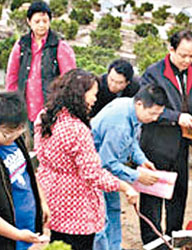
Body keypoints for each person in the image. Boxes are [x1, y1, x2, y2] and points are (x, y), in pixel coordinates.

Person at [34, 69, 139, 250]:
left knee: (57, 244)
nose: (95, 99)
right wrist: (124, 186)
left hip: (51, 195)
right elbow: (93, 174)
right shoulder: (77, 129)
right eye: (93, 95)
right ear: (80, 95)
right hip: (76, 205)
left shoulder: (46, 116)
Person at [138, 30, 192, 244]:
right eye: (183, 55)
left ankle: (174, 235)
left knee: (179, 192)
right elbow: (146, 106)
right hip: (157, 143)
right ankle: (152, 240)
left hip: (182, 144)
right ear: (171, 50)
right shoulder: (154, 73)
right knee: (153, 195)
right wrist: (176, 117)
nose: (188, 60)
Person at [91, 85, 166, 250]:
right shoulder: (119, 124)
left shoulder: (129, 106)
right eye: (152, 113)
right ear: (140, 104)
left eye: (158, 115)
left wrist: (141, 159)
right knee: (101, 218)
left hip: (109, 168)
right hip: (95, 172)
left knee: (113, 209)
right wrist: (137, 176)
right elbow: (107, 162)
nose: (154, 119)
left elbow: (131, 141)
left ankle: (115, 246)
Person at [5, 1, 76, 131]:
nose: (42, 25)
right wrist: (12, 103)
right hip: (24, 108)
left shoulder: (60, 46)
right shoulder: (21, 45)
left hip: (51, 110)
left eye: (45, 21)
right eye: (37, 21)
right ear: (29, 21)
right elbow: (12, 76)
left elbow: (69, 80)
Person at [0, 92, 50, 250]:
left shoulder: (16, 142)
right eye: (7, 132)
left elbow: (30, 173)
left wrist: (42, 202)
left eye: (18, 130)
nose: (13, 136)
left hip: (28, 227)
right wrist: (18, 235)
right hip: (10, 238)